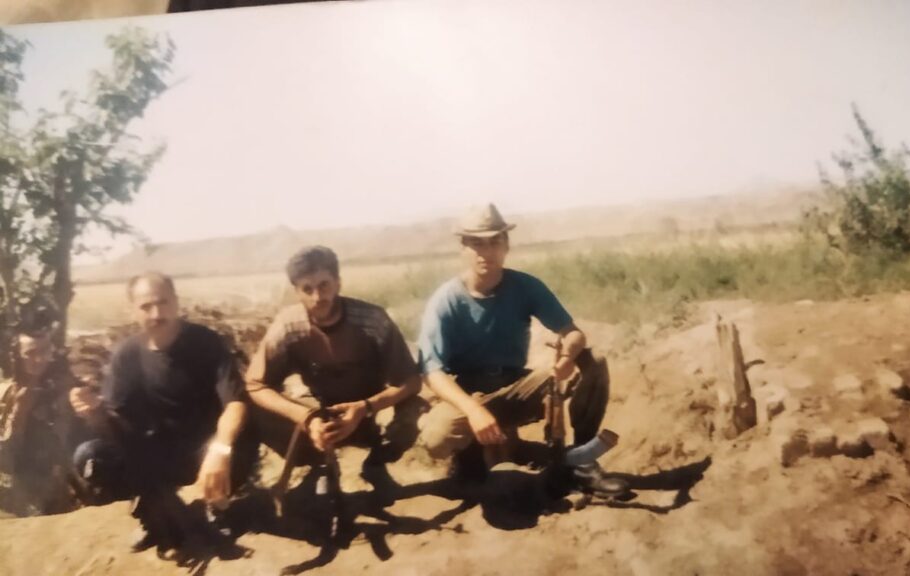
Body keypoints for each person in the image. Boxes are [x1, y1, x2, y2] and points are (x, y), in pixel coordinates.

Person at [416, 203, 628, 496]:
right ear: (463, 248)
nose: (486, 252)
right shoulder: (446, 301)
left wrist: (567, 357)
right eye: (477, 243)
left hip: (516, 387)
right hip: (466, 393)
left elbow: (573, 333)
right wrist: (473, 411)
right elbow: (431, 372)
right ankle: (470, 455)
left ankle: (582, 462)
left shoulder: (525, 286)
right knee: (436, 438)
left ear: (506, 245)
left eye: (495, 242)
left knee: (592, 363)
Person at [68, 272, 257, 552]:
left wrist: (221, 450)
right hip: (160, 456)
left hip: (208, 451)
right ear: (133, 310)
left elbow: (236, 403)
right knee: (91, 456)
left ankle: (218, 505)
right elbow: (116, 425)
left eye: (163, 303)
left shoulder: (205, 343)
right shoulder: (127, 355)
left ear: (176, 302)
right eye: (146, 306)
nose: (157, 314)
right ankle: (155, 511)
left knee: (243, 434)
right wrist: (93, 410)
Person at [245, 246, 423, 496]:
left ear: (338, 283)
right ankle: (320, 465)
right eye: (307, 289)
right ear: (296, 292)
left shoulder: (373, 320)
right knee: (251, 411)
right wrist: (307, 417)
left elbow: (411, 381)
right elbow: (255, 384)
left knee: (416, 411)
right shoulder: (288, 326)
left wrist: (364, 408)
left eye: (324, 285)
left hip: (371, 411)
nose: (317, 296)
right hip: (318, 413)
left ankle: (377, 462)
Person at [0, 309, 77, 516]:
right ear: (17, 356)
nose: (39, 359)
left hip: (53, 479)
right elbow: (4, 458)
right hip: (16, 485)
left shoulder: (58, 386)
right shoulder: (6, 394)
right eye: (30, 353)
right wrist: (19, 414)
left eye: (44, 351)